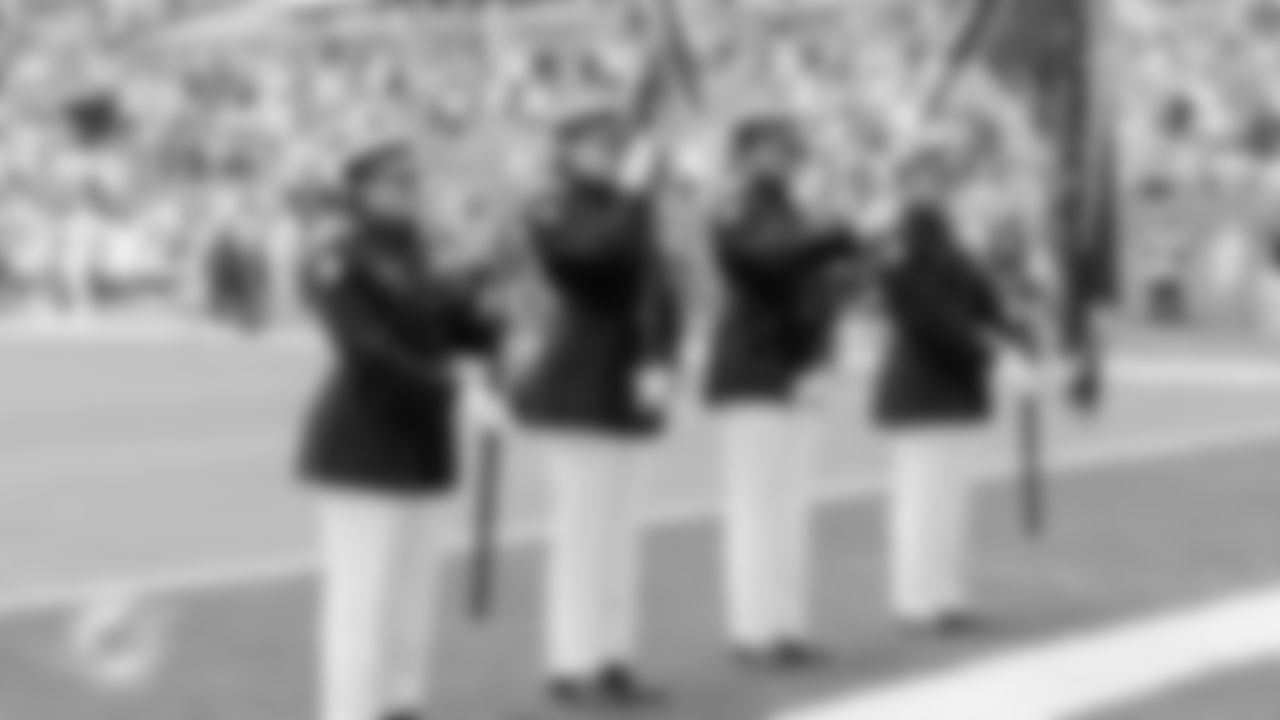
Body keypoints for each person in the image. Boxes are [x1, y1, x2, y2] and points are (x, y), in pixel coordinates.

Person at [298, 144, 506, 720]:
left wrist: (487, 297)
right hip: (363, 449)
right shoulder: (338, 256)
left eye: (415, 181)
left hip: (420, 448)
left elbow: (462, 333)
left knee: (411, 603)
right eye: (397, 182)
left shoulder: (423, 255)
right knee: (360, 607)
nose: (411, 192)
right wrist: (458, 391)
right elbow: (369, 351)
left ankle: (401, 706)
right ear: (362, 188)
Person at [510, 108, 681, 706]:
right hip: (578, 384)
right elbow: (593, 259)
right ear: (568, 150)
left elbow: (658, 290)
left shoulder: (629, 208)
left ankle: (613, 657)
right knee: (581, 536)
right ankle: (570, 663)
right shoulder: (554, 204)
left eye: (616, 143)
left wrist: (663, 359)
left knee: (619, 536)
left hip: (628, 384)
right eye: (596, 144)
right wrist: (634, 197)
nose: (610, 152)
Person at [702, 115, 862, 666]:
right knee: (756, 506)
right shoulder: (737, 204)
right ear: (747, 154)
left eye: (792, 149)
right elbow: (770, 260)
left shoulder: (792, 209)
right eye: (775, 149)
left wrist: (852, 247)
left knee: (790, 507)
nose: (789, 157)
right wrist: (837, 233)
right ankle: (752, 631)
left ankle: (786, 624)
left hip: (795, 367)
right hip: (753, 366)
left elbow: (820, 281)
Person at [871, 145, 1029, 632]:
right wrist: (992, 352)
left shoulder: (952, 240)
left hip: (956, 385)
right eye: (925, 178)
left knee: (951, 499)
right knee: (921, 497)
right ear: (906, 184)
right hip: (921, 383)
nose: (936, 186)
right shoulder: (899, 240)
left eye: (941, 177)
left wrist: (1017, 333)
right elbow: (926, 315)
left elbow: (981, 302)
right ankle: (915, 599)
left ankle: (945, 592)